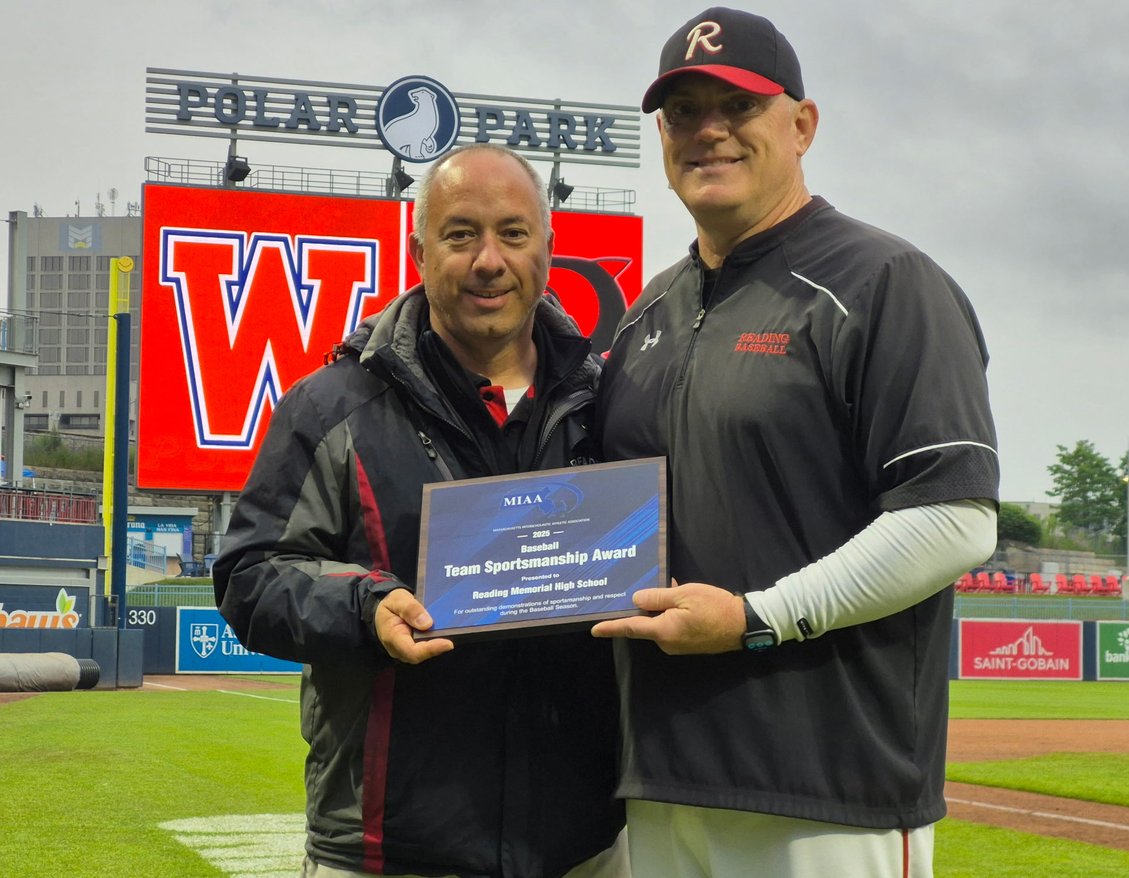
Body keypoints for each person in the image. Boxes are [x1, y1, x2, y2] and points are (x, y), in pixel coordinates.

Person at [591, 8, 1000, 877]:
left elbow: (955, 519)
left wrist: (753, 619)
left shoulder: (884, 282)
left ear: (801, 124)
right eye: (683, 112)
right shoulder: (643, 318)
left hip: (827, 789)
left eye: (735, 107)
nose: (708, 131)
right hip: (658, 781)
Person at [215, 143, 627, 878]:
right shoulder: (332, 407)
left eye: (513, 233)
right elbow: (249, 574)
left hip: (583, 846)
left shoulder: (614, 404)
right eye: (460, 234)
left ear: (549, 247)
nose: (488, 260)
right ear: (419, 250)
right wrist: (364, 608)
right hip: (389, 849)